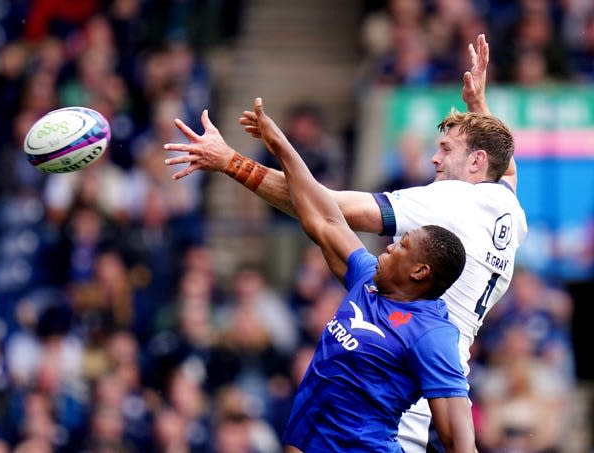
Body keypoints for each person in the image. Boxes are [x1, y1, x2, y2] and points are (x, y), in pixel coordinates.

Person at [164, 34, 528, 452]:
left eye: (446, 149)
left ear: (477, 162)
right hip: (416, 370)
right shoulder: (508, 209)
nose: (435, 159)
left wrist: (232, 162)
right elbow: (506, 169)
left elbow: (323, 206)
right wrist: (478, 107)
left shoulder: (447, 202)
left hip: (395, 385)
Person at [210, 96, 478, 452]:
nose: (389, 246)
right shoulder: (367, 278)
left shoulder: (431, 335)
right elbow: (323, 217)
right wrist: (277, 146)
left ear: (419, 271)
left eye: (403, 245)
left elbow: (460, 443)